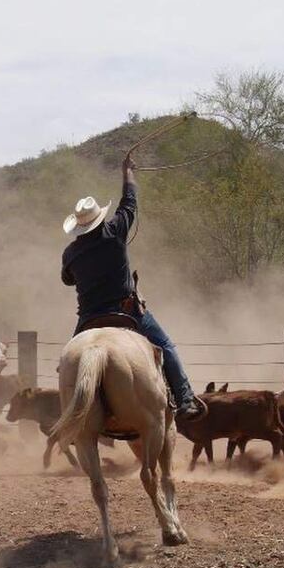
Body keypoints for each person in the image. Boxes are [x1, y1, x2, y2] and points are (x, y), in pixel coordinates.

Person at [59, 155, 203, 420]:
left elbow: (67, 279)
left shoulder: (70, 253)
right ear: (98, 218)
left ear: (78, 225)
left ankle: (69, 411)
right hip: (126, 311)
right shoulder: (115, 232)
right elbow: (129, 202)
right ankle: (184, 400)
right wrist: (127, 173)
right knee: (166, 346)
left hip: (89, 318)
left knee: (66, 366)